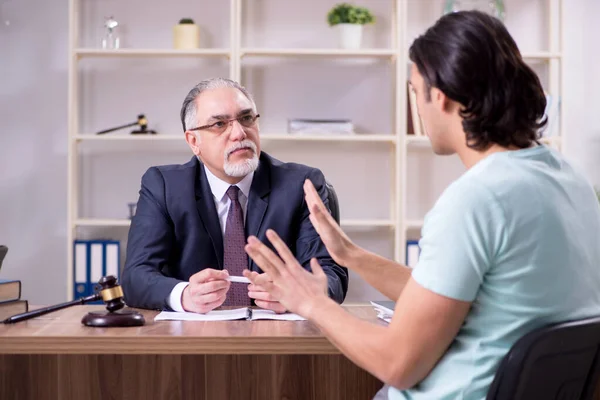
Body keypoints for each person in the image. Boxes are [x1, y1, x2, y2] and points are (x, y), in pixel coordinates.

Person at [241, 10, 600, 400]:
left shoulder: (476, 201)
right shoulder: (568, 178)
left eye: (414, 91)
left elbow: (398, 363)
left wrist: (311, 303)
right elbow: (445, 291)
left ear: (439, 96)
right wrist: (349, 255)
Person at [121, 77, 348, 314]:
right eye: (219, 124)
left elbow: (331, 276)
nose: (239, 133)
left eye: (247, 118)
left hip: (278, 340)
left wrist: (299, 295)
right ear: (194, 141)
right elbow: (136, 277)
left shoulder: (301, 185)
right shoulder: (164, 186)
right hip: (191, 341)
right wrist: (184, 295)